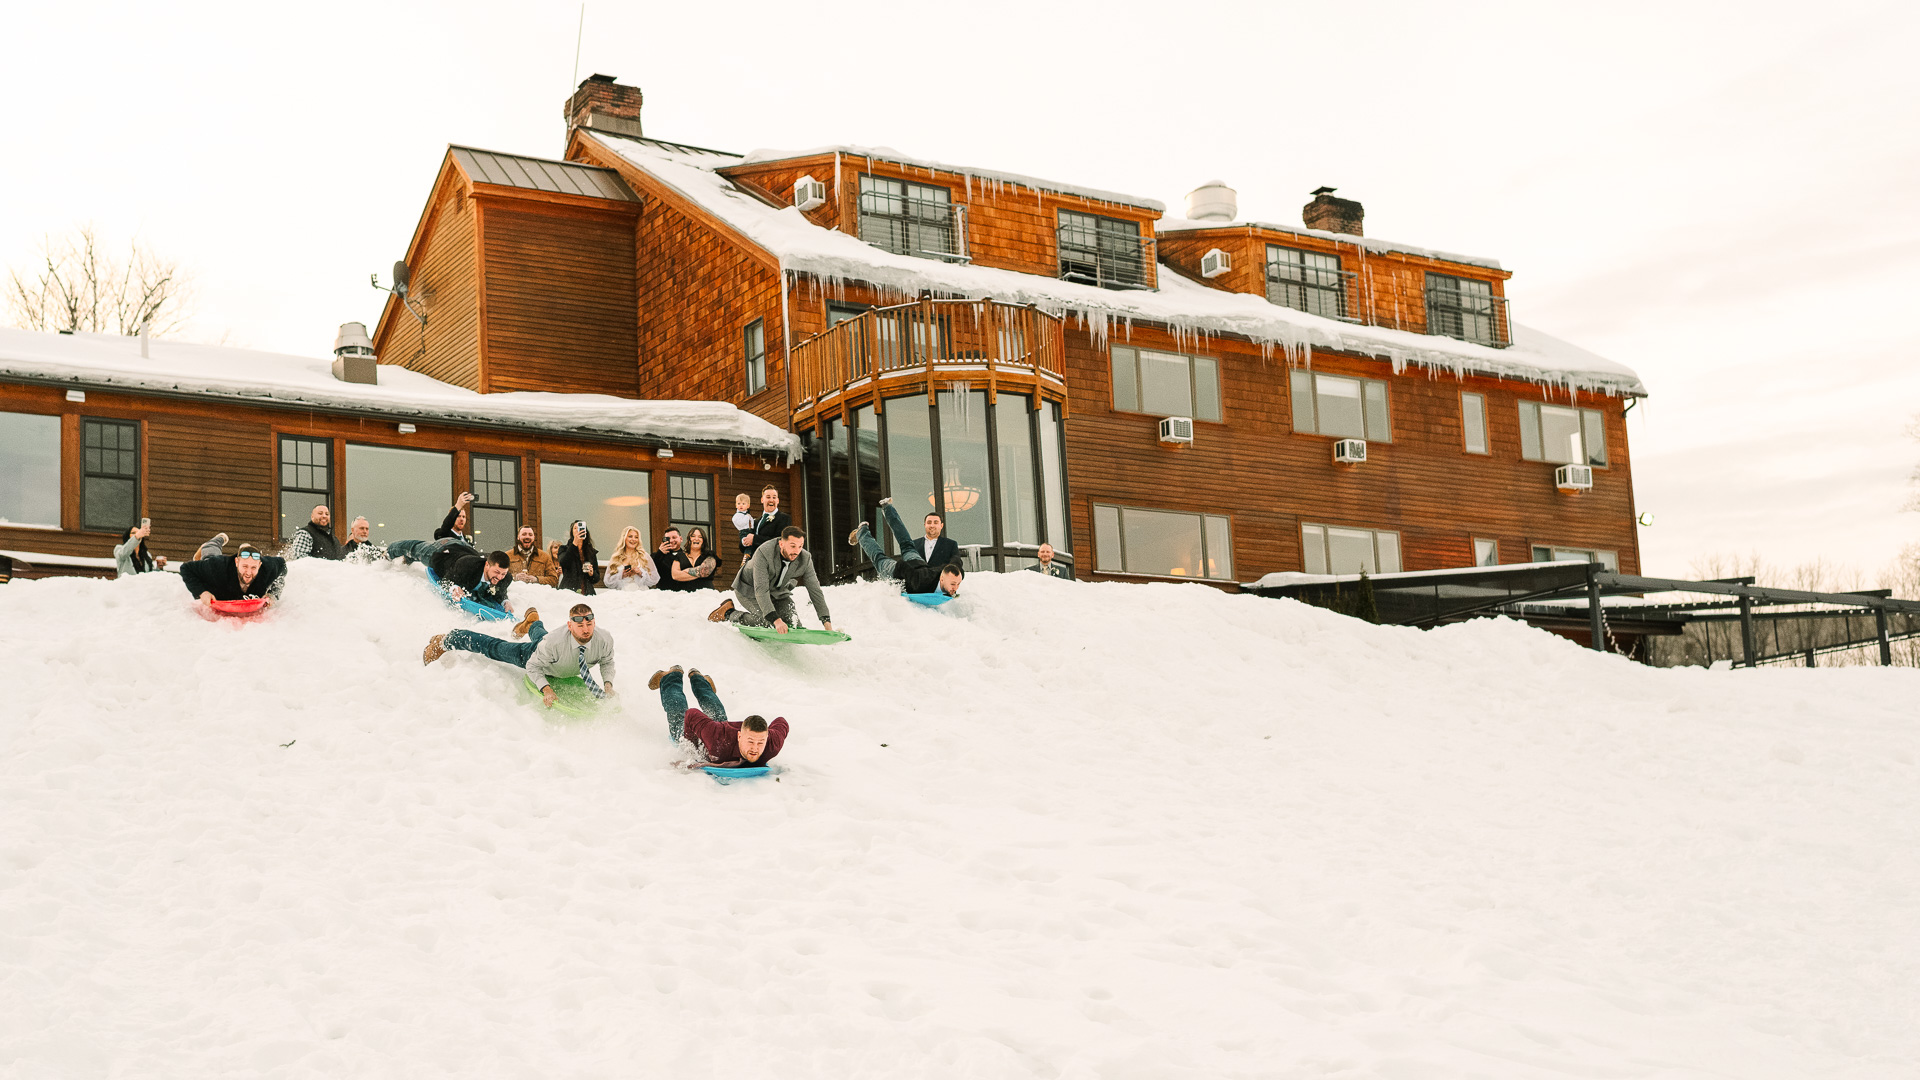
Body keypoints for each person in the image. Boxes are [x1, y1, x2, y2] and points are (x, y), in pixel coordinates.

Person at [423, 603, 617, 711]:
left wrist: (608, 684)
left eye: (589, 624)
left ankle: (532, 623)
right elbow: (533, 667)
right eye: (580, 626)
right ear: (569, 625)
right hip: (533, 656)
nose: (586, 630)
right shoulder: (554, 642)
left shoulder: (604, 638)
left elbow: (607, 661)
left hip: (551, 652)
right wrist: (547, 689)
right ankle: (448, 639)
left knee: (542, 636)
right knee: (493, 647)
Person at [648, 665, 788, 768]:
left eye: (760, 743)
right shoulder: (717, 738)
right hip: (711, 737)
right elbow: (691, 715)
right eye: (751, 741)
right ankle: (670, 676)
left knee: (716, 713)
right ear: (739, 736)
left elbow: (782, 722)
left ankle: (698, 678)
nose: (755, 748)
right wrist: (690, 748)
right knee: (679, 712)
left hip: (721, 730)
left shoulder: (772, 744)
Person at [708, 526, 834, 634]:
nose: (797, 551)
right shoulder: (764, 552)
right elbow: (761, 590)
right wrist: (776, 620)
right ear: (781, 544)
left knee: (794, 624)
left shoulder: (805, 558)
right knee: (767, 622)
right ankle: (729, 613)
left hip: (777, 591)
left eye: (800, 546)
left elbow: (815, 590)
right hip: (749, 589)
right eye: (793, 546)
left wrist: (826, 622)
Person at [850, 503, 964, 598]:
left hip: (917, 562)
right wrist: (897, 576)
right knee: (879, 559)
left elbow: (955, 563)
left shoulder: (951, 573)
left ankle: (888, 509)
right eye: (953, 584)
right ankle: (862, 532)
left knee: (907, 544)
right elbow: (902, 566)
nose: (956, 588)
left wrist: (956, 567)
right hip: (900, 571)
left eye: (958, 584)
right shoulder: (920, 583)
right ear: (942, 579)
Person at [386, 536, 515, 612]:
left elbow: (500, 591)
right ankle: (387, 552)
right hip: (444, 551)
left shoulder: (505, 578)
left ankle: (407, 560)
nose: (499, 577)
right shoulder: (467, 566)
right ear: (487, 565)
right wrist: (454, 588)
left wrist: (505, 601)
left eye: (503, 574)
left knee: (411, 556)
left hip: (465, 549)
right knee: (415, 549)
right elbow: (446, 580)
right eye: (497, 572)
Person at [180, 543, 286, 615]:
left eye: (253, 567)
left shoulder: (268, 567)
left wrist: (273, 594)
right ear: (236, 562)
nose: (249, 572)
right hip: (219, 583)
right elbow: (186, 568)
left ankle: (245, 547)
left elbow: (282, 567)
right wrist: (202, 592)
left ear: (260, 564)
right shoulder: (219, 566)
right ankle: (215, 542)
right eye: (244, 566)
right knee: (210, 556)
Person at [884, 501, 958, 568]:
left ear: (941, 525)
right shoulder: (914, 544)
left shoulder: (951, 545)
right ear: (924, 525)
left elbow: (956, 565)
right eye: (929, 523)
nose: (932, 525)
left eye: (935, 523)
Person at [603, 526, 661, 591]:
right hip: (622, 594)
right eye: (630, 536)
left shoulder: (644, 556)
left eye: (636, 537)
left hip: (641, 594)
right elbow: (607, 581)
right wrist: (621, 575)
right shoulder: (616, 557)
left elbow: (655, 579)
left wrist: (641, 573)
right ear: (624, 538)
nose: (633, 539)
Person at [744, 484, 791, 557]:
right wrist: (744, 541)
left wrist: (755, 539)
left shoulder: (783, 518)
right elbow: (743, 545)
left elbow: (780, 541)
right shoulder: (756, 521)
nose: (771, 500)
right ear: (762, 500)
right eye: (768, 497)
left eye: (774, 497)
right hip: (754, 561)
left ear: (778, 500)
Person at [669, 527, 720, 591]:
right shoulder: (680, 556)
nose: (696, 539)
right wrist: (698, 572)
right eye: (693, 536)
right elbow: (675, 575)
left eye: (700, 537)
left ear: (703, 540)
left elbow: (704, 571)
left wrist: (686, 571)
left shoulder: (709, 555)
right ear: (689, 539)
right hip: (683, 596)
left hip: (706, 594)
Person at [557, 520, 599, 594]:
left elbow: (596, 578)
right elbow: (564, 562)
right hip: (568, 590)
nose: (577, 530)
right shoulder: (564, 549)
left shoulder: (591, 552)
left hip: (587, 591)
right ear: (572, 532)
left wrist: (592, 573)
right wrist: (574, 544)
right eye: (575, 528)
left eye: (580, 528)